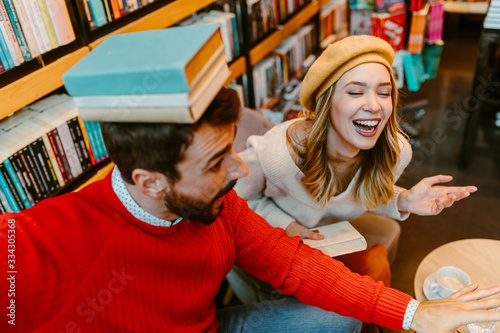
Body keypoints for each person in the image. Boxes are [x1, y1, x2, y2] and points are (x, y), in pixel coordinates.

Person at [1, 77, 500, 333]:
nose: (241, 170)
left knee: (341, 315)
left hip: (213, 324)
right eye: (218, 162)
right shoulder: (36, 242)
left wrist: (416, 314)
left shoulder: (221, 208)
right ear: (150, 181)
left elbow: (294, 266)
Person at [230, 35, 477, 300]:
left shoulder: (395, 151)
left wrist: (404, 199)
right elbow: (230, 203)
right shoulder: (278, 153)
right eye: (355, 92)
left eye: (384, 93)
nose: (373, 106)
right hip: (266, 244)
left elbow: (361, 194)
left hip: (326, 239)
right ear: (327, 103)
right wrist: (285, 225)